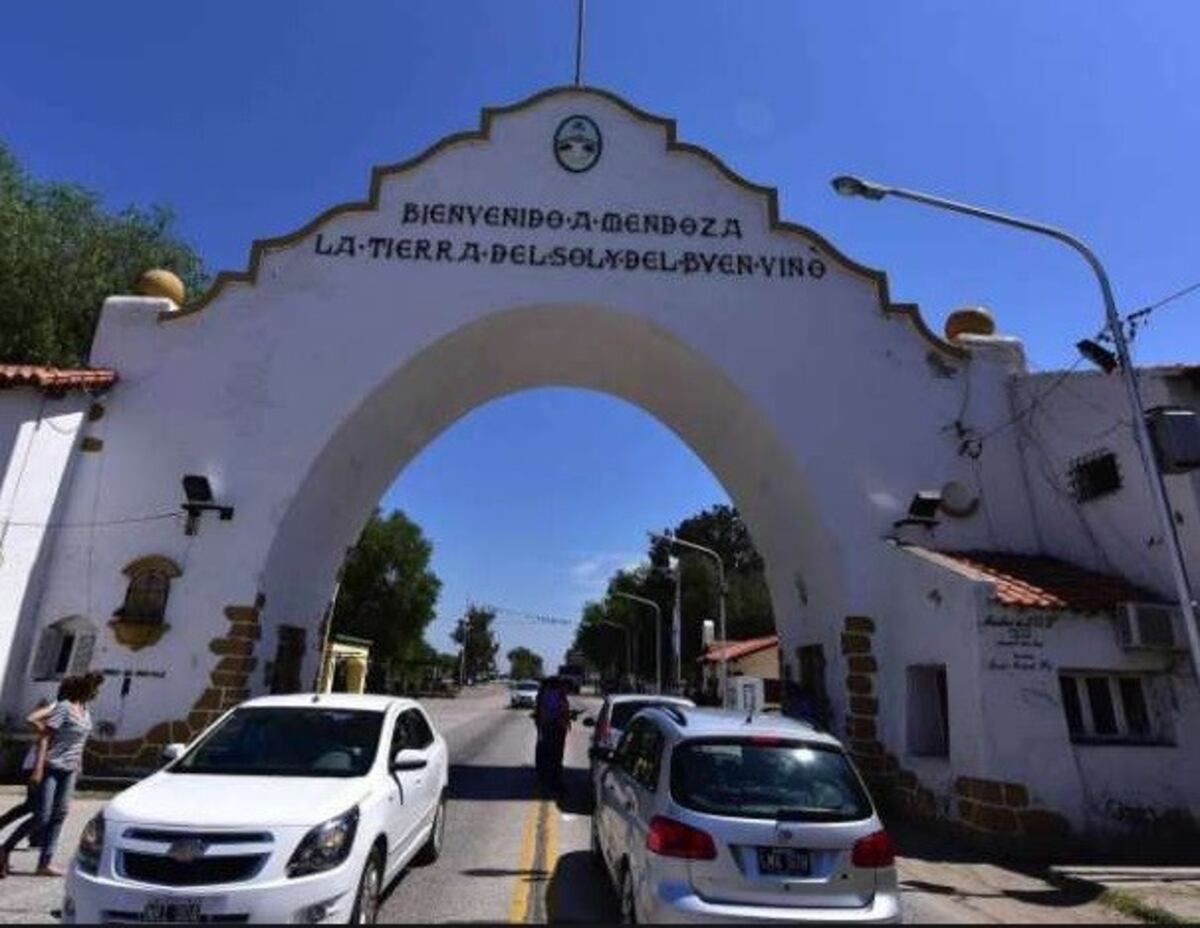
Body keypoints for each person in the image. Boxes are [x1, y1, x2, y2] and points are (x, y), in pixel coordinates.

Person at [27, 672, 102, 877]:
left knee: (59, 815)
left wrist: (79, 764)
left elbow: (80, 742)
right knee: (42, 816)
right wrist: (38, 768)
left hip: (70, 770)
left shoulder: (86, 711)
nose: (97, 692)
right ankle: (5, 848)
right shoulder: (64, 707)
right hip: (51, 766)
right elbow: (44, 737)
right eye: (94, 688)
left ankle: (45, 863)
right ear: (85, 689)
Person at [0, 695, 54, 878]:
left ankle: (33, 838)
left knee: (31, 806)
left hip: (33, 766)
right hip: (34, 767)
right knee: (37, 809)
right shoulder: (54, 716)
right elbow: (39, 737)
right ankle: (24, 840)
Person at [533, 677, 571, 794]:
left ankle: (548, 782)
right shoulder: (553, 695)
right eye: (566, 687)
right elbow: (552, 713)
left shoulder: (547, 694)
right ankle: (553, 784)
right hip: (554, 729)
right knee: (554, 757)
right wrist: (563, 716)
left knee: (548, 756)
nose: (568, 690)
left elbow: (545, 712)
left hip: (549, 729)